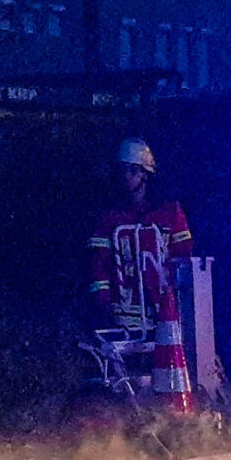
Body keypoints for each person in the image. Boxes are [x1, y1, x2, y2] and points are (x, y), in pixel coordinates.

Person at [87, 136, 195, 413]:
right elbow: (99, 263)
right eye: (120, 170)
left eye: (130, 170)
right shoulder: (109, 216)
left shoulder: (170, 212)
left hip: (166, 314)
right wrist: (103, 302)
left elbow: (184, 259)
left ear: (144, 174)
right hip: (125, 316)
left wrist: (180, 304)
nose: (124, 177)